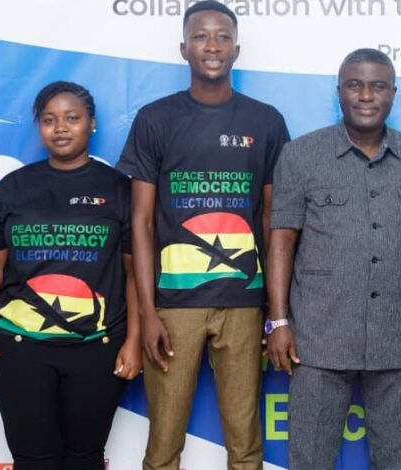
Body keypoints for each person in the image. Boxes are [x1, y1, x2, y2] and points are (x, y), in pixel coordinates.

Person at [115, 1, 290, 469]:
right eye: (200, 36)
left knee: (246, 444)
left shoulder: (266, 121)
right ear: (183, 48)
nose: (212, 45)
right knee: (164, 444)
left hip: (244, 303)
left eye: (221, 36)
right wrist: (149, 312)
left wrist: (276, 315)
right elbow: (142, 222)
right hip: (173, 308)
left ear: (236, 48)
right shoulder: (156, 119)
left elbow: (273, 220)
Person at [266, 48, 401, 470]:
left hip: (395, 337)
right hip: (317, 339)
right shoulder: (300, 155)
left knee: (396, 460)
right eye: (355, 85)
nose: (366, 95)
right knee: (309, 459)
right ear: (339, 92)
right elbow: (281, 241)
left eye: (378, 86)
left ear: (393, 94)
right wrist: (278, 321)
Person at [0, 81, 140, 470]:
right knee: (34, 460)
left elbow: (133, 274)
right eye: (49, 119)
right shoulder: (13, 188)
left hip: (98, 346)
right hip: (21, 348)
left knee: (84, 459)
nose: (60, 127)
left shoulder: (120, 190)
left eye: (71, 118)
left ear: (91, 124)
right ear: (39, 127)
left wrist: (135, 341)